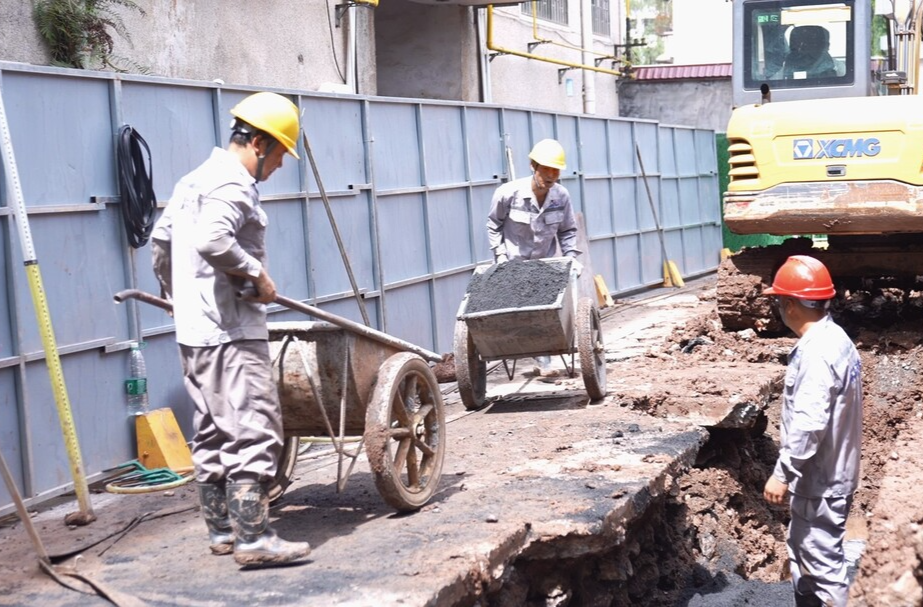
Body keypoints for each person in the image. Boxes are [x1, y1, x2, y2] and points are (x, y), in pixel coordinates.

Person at [151, 91, 311, 568]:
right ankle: (254, 539)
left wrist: (175, 297)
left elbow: (162, 244)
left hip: (195, 332)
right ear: (259, 144)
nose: (280, 166)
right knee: (253, 428)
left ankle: (222, 531)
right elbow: (212, 239)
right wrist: (256, 274)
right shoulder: (235, 184)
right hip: (231, 332)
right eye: (281, 154)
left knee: (211, 430)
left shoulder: (193, 180)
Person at [761, 255, 862, 607]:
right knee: (806, 553)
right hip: (830, 475)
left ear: (789, 304)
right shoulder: (837, 338)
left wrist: (782, 473)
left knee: (823, 566)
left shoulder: (817, 354)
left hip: (822, 480)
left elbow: (809, 422)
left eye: (778, 301)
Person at [486, 138, 583, 376]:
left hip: (545, 267)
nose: (551, 175)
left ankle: (544, 362)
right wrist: (500, 255)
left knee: (545, 313)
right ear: (533, 166)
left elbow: (568, 230)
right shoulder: (508, 193)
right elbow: (493, 224)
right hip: (513, 266)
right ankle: (523, 353)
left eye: (556, 170)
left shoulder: (561, 197)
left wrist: (570, 257)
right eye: (546, 169)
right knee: (516, 316)